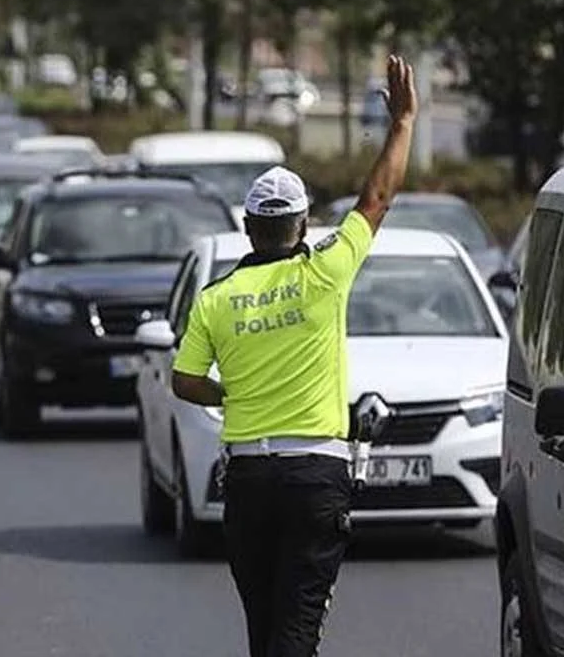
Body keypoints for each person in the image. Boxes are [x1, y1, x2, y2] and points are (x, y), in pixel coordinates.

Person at [170, 55, 418, 657]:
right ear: (303, 225)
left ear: (250, 227)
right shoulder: (326, 272)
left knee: (265, 629)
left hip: (250, 479)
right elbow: (378, 196)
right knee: (297, 629)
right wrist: (403, 122)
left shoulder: (217, 298)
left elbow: (183, 381)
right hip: (315, 477)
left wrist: (232, 394)